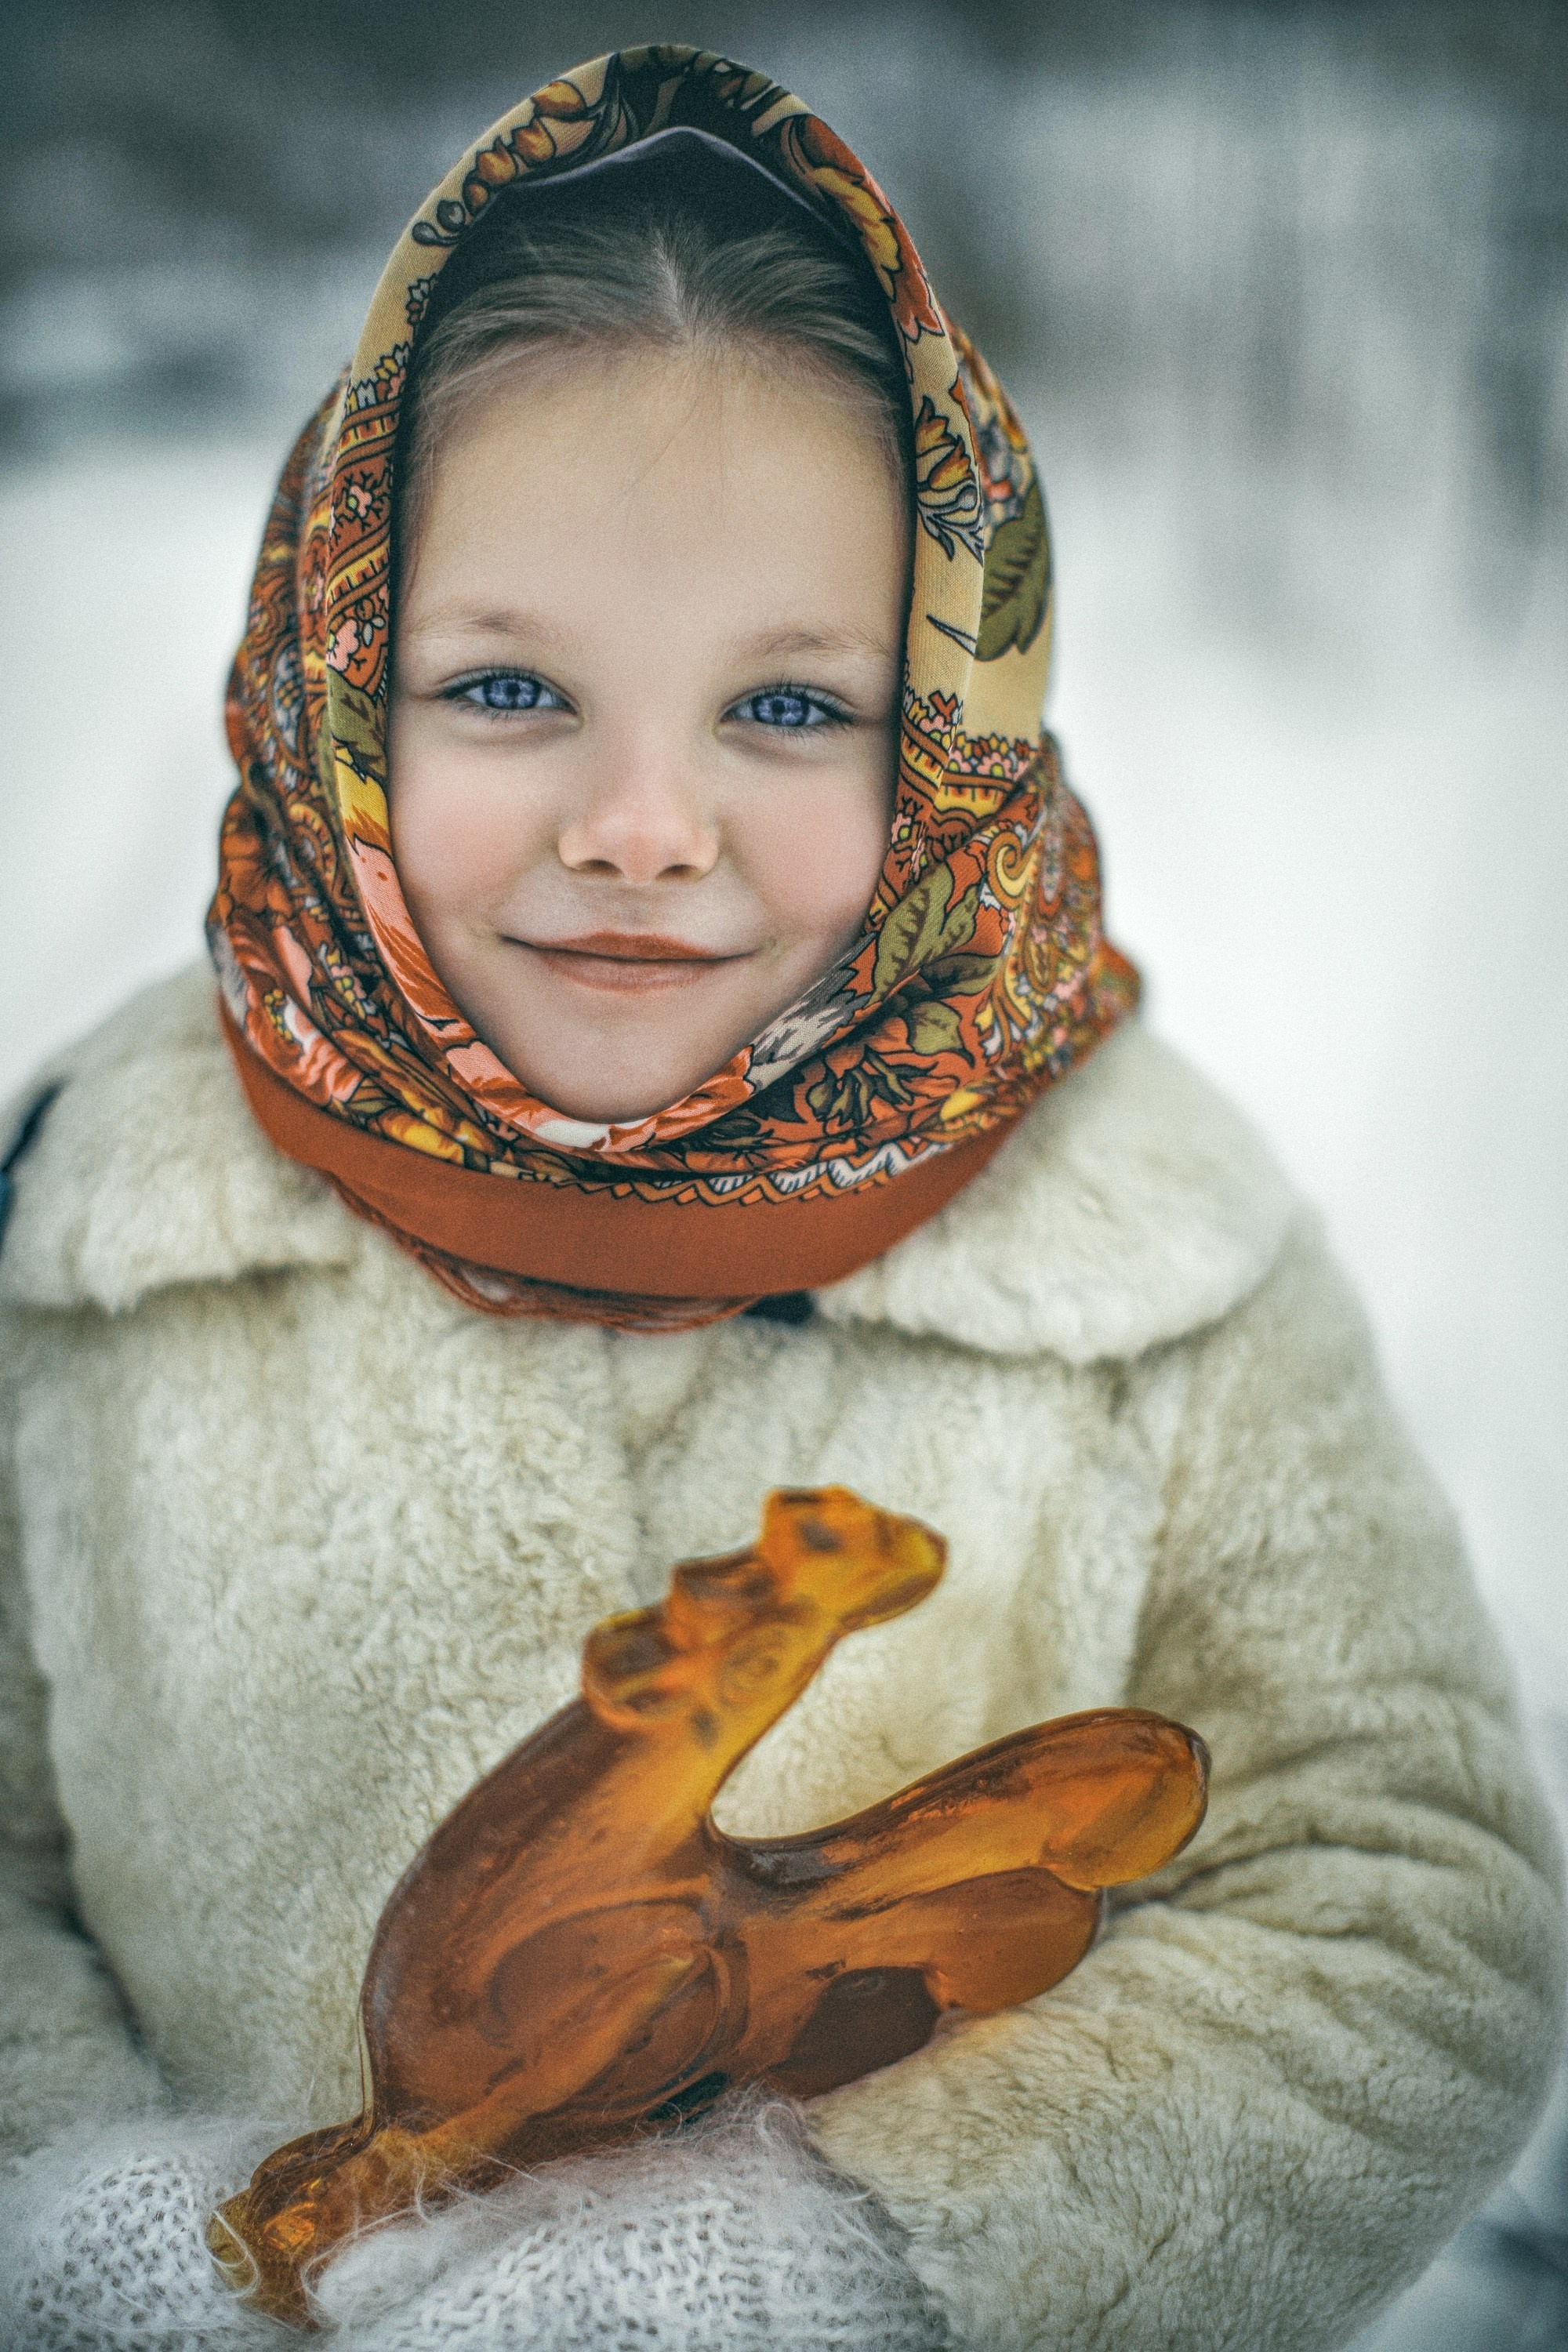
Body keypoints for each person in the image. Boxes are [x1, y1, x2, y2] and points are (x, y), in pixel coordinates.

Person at [0, 44, 1559, 2352]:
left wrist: (843, 2260)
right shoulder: (93, 1211)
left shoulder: (1146, 1243)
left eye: (794, 710)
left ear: (955, 729)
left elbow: (1408, 1912)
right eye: (511, 682)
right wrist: (93, 2232)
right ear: (333, 687)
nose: (645, 823)